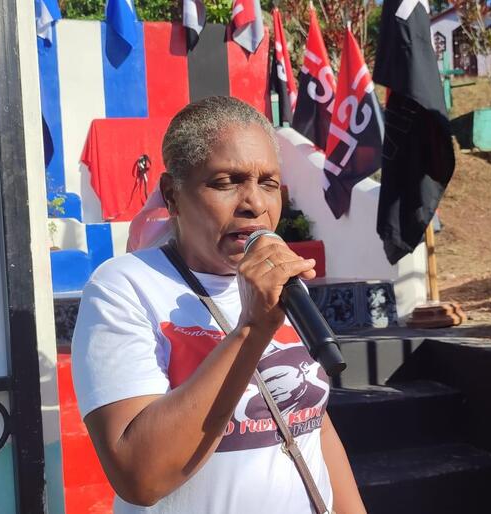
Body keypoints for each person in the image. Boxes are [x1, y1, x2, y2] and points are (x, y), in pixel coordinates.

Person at [71, 96, 367, 513]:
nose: (255, 203)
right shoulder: (124, 287)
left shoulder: (281, 283)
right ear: (172, 195)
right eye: (227, 181)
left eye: (268, 183)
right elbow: (140, 476)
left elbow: (311, 425)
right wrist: (251, 329)